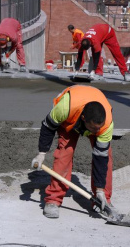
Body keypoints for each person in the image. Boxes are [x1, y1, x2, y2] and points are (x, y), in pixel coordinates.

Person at [31, 85, 115, 218]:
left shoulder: (106, 124)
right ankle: (53, 200)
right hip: (70, 118)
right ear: (83, 119)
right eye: (93, 128)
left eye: (98, 129)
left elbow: (101, 158)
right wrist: (41, 153)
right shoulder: (65, 108)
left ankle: (103, 200)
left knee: (107, 157)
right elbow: (47, 127)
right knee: (64, 154)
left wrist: (100, 189)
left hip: (90, 114)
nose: (95, 132)